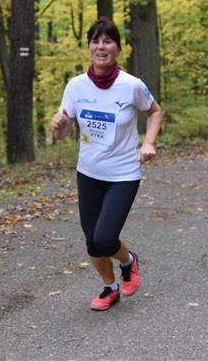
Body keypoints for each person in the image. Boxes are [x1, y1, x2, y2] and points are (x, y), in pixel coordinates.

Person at [51, 17, 163, 312]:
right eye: (96, 41)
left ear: (117, 48)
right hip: (88, 173)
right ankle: (110, 288)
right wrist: (58, 126)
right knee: (92, 242)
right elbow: (61, 133)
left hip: (123, 174)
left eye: (108, 41)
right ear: (89, 47)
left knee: (104, 238)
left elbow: (154, 112)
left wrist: (148, 142)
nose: (101, 47)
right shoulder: (76, 86)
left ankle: (128, 261)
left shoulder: (131, 85)